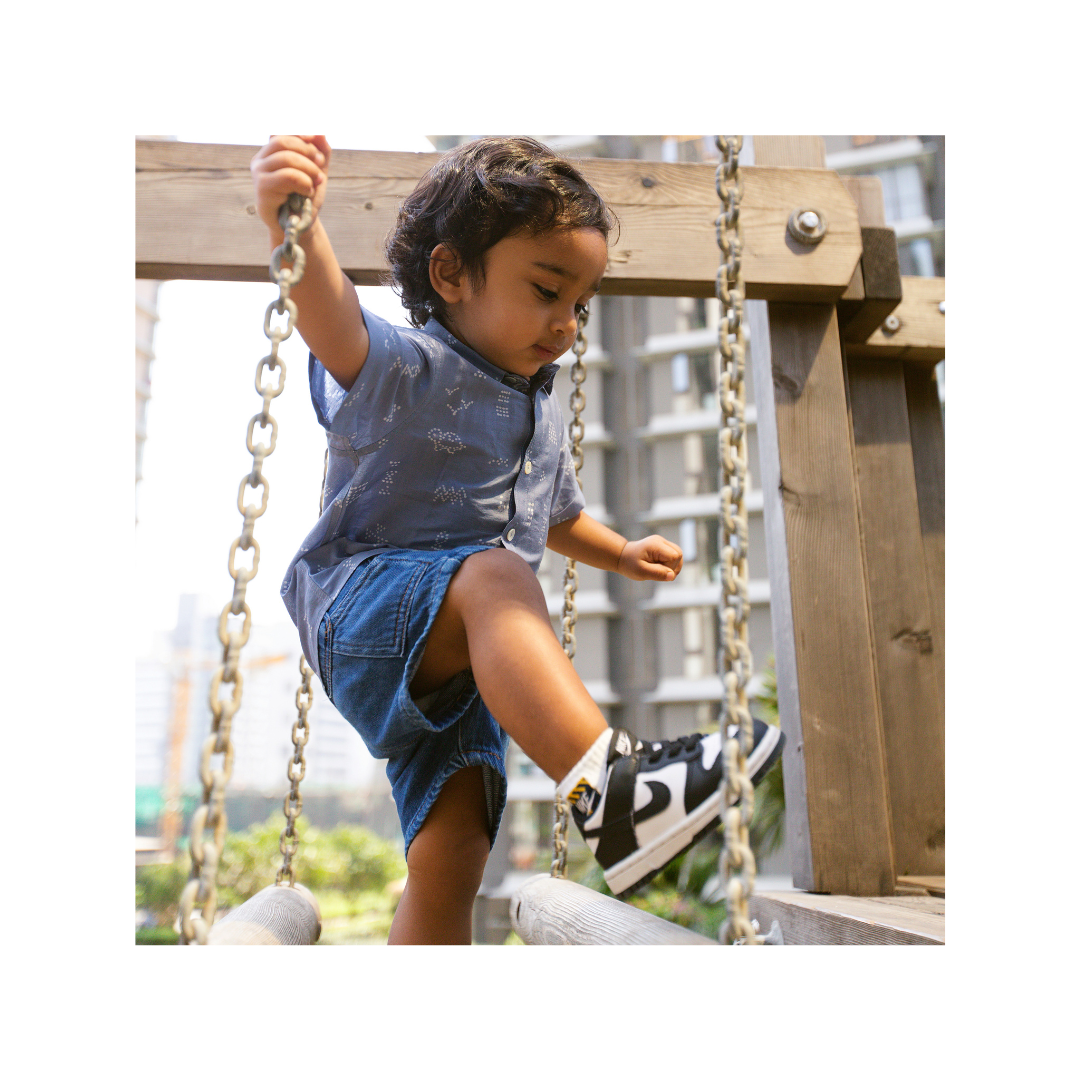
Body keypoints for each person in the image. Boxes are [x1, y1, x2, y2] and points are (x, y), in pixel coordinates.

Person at [250, 134, 784, 944]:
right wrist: (297, 220)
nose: (566, 322)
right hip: (368, 612)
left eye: (581, 303)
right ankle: (618, 792)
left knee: (455, 851)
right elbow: (331, 318)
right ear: (451, 275)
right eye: (545, 289)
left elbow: (556, 516)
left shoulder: (535, 415)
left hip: (465, 666)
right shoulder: (406, 368)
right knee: (497, 575)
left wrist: (619, 552)